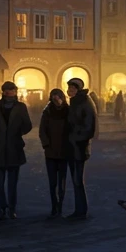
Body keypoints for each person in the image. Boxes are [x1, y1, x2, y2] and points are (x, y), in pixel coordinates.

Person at [0, 81, 33, 221]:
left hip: (14, 149)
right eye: (7, 90)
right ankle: (1, 209)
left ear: (15, 92)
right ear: (3, 92)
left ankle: (12, 209)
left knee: (12, 183)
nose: (9, 92)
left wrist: (16, 134)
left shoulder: (21, 107)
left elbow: (28, 125)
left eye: (12, 90)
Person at [65, 77, 96, 219]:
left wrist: (74, 136)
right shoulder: (76, 101)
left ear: (78, 90)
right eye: (69, 88)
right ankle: (79, 209)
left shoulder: (84, 102)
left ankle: (81, 210)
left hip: (79, 147)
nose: (70, 90)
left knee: (78, 179)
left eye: (72, 89)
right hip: (73, 147)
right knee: (76, 179)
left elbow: (89, 127)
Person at [38, 88, 71, 219]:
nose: (56, 99)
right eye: (53, 97)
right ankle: (54, 205)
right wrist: (46, 144)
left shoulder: (68, 111)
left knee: (62, 181)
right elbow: (42, 130)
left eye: (58, 96)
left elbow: (72, 128)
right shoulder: (47, 112)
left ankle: (60, 205)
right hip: (51, 152)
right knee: (52, 182)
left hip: (64, 152)